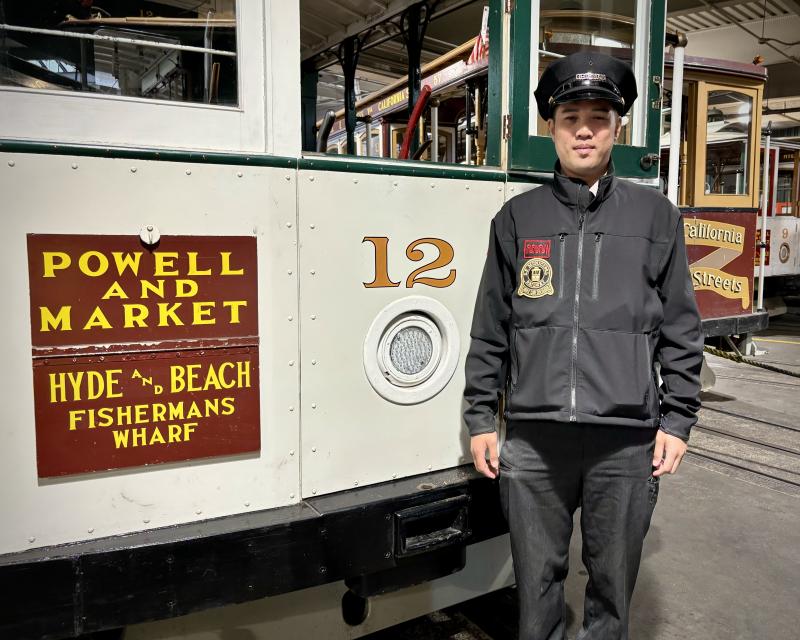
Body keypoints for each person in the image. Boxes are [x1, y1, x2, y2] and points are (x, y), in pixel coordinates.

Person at [463, 52, 703, 640]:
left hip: (624, 441)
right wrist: (479, 417)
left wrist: (677, 421)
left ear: (618, 129)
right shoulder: (517, 219)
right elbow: (491, 326)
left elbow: (680, 326)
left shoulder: (656, 217)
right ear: (552, 126)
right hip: (535, 439)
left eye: (599, 116)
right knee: (535, 585)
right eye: (571, 116)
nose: (585, 129)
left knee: (611, 589)